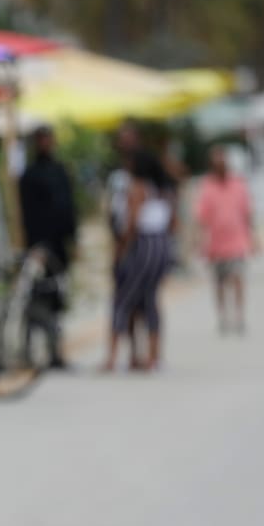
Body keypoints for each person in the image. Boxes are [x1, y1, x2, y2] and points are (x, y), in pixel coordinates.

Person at [102, 151, 175, 372]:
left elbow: (132, 223)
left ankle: (112, 359)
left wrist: (121, 249)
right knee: (149, 300)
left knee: (122, 300)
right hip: (162, 245)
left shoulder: (137, 187)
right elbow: (173, 222)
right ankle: (153, 356)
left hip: (143, 245)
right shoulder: (163, 191)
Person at [18, 125, 77, 368]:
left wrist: (73, 239)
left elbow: (69, 208)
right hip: (39, 246)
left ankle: (55, 351)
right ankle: (31, 351)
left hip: (59, 246)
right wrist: (34, 246)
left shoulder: (60, 171)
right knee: (36, 298)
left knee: (56, 298)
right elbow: (27, 214)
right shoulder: (30, 175)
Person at [195, 145, 258, 334]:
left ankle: (239, 316)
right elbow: (201, 217)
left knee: (237, 278)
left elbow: (247, 213)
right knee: (219, 282)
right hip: (216, 242)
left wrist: (253, 238)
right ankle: (223, 316)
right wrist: (199, 241)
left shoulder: (238, 184)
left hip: (237, 240)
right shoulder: (207, 185)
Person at [105, 120, 145, 367]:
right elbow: (111, 212)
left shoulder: (142, 177)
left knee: (134, 303)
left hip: (137, 247)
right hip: (123, 244)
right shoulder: (117, 177)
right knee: (122, 301)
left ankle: (133, 354)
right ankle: (120, 355)